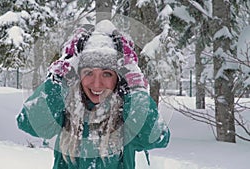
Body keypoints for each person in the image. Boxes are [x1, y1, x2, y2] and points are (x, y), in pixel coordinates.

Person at [17, 20, 170, 169]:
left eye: (107, 74)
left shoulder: (127, 114)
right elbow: (30, 124)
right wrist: (56, 81)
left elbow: (156, 137)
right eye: (88, 72)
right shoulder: (65, 108)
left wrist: (136, 89)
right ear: (77, 75)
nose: (97, 84)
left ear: (119, 79)